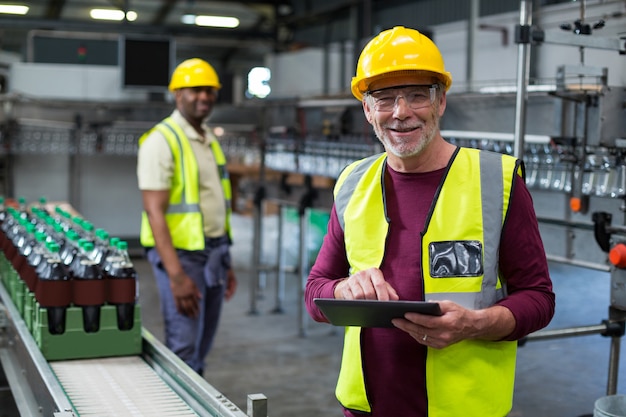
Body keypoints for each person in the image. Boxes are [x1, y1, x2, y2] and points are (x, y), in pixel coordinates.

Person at [304, 26, 555, 417]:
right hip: (366, 408)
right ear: (368, 110)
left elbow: (539, 298)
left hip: (463, 408)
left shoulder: (496, 181)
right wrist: (343, 291)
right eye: (385, 99)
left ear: (440, 102)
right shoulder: (353, 184)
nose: (401, 112)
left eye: (417, 95)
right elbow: (315, 292)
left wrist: (475, 324)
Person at [137, 58, 237, 375]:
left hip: (214, 253)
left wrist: (226, 261)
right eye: (196, 90)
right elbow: (155, 211)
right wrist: (177, 276)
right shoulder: (161, 141)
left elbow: (214, 202)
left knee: (202, 345)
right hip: (183, 257)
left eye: (209, 91)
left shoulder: (208, 139)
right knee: (184, 348)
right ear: (178, 93)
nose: (204, 97)